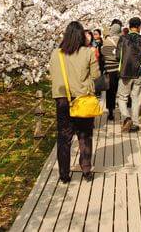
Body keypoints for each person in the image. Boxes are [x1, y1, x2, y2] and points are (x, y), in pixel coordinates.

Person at [50, 21, 99, 183]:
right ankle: (86, 170)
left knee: (64, 137)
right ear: (80, 36)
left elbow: (53, 74)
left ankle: (64, 174)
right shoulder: (88, 52)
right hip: (82, 98)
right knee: (84, 135)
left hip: (62, 99)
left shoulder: (56, 54)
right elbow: (96, 75)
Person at [116, 17, 141, 132]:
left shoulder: (123, 39)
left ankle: (126, 117)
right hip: (140, 73)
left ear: (130, 26)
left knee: (122, 97)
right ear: (139, 26)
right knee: (136, 98)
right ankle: (135, 124)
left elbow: (117, 56)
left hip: (125, 73)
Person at [101, 19, 122, 120]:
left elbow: (104, 55)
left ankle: (110, 112)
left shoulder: (106, 41)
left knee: (110, 91)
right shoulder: (123, 41)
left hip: (110, 69)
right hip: (120, 69)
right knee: (122, 91)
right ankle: (124, 111)